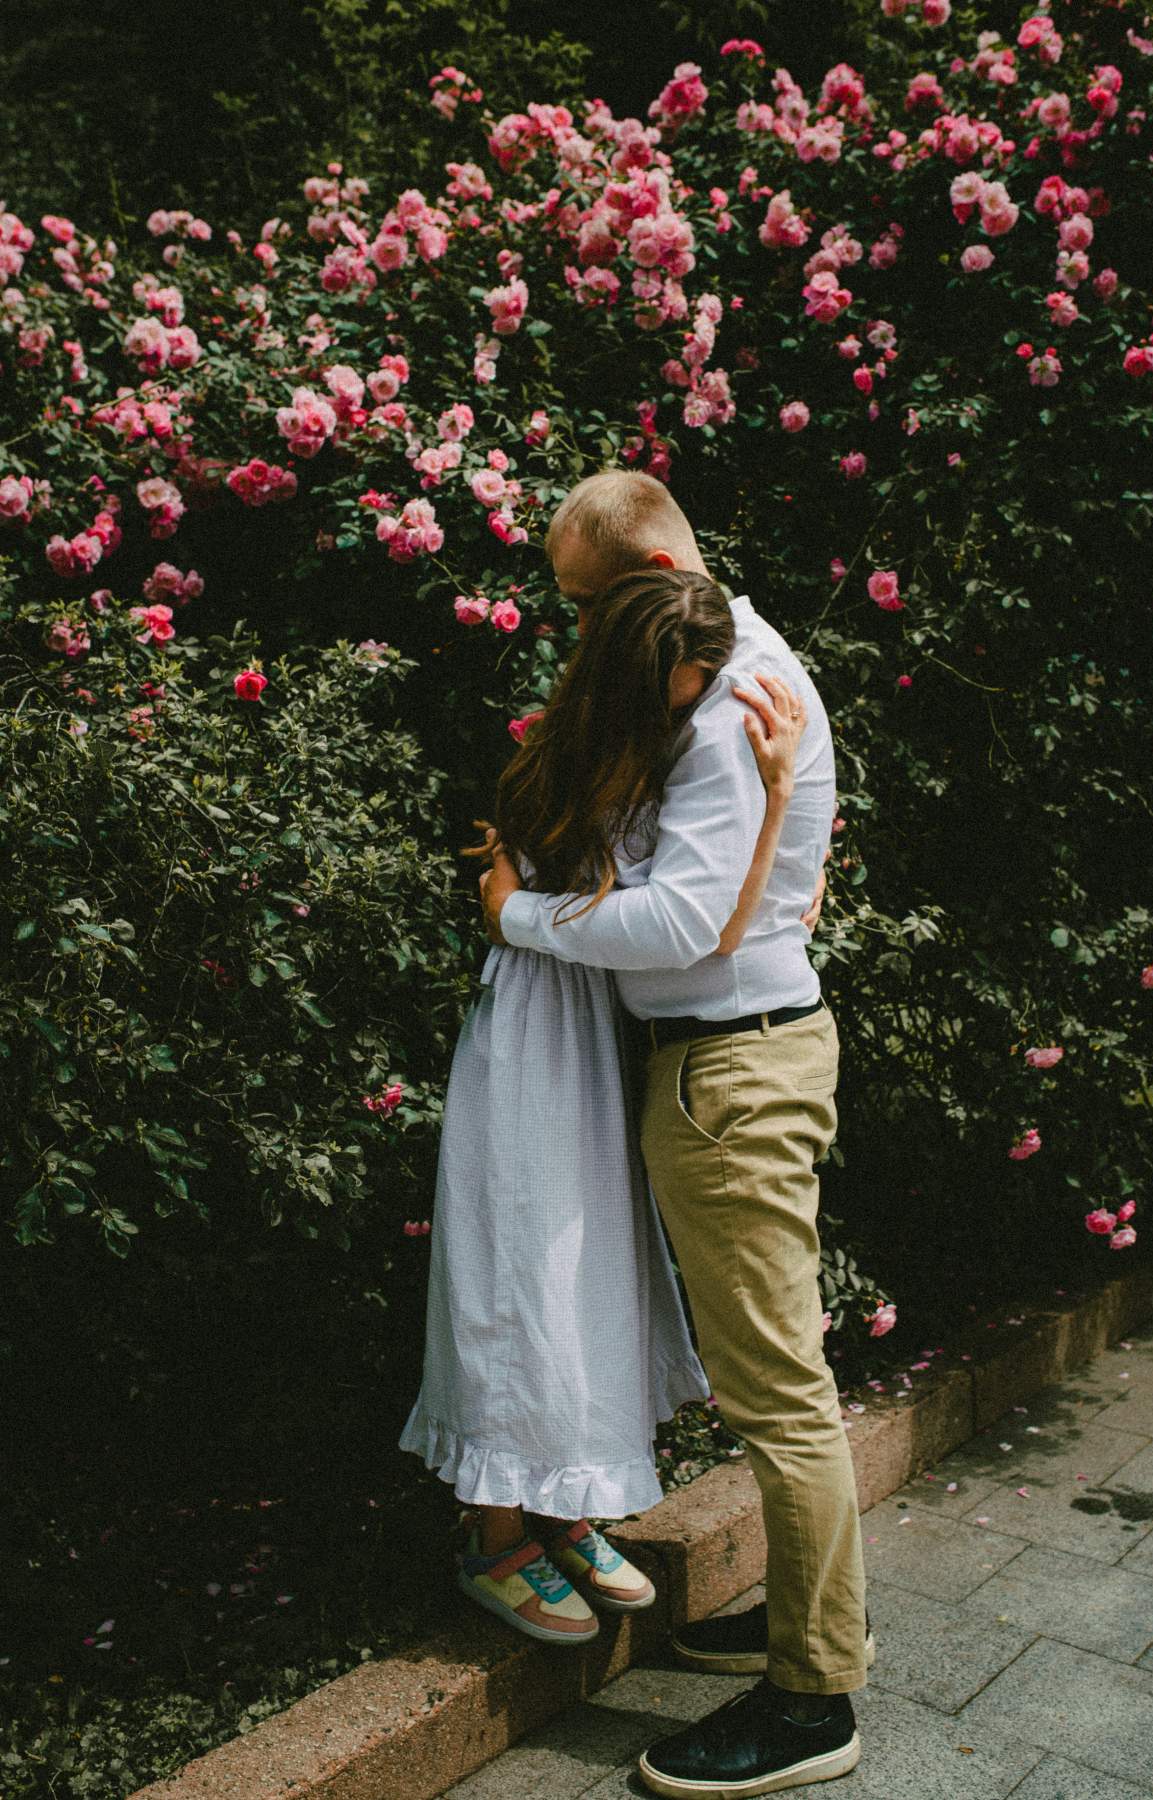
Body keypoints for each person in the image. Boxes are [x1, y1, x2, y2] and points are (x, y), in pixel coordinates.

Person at [481, 469, 869, 1797]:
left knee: (777, 1393)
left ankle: (815, 1699)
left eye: (586, 601)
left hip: (734, 1075)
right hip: (731, 1059)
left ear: (645, 562)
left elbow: (678, 926)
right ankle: (817, 1617)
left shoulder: (725, 694)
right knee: (777, 1380)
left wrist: (516, 918)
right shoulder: (720, 665)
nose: (576, 628)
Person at [401, 564, 811, 1649]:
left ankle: (563, 1511)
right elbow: (707, 928)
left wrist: (773, 808)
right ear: (641, 673)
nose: (705, 698)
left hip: (593, 1033)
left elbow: (707, 916)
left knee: (586, 1271)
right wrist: (773, 802)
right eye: (689, 680)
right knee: (523, 1264)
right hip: (537, 1035)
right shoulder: (582, 754)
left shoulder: (643, 743)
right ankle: (495, 1536)